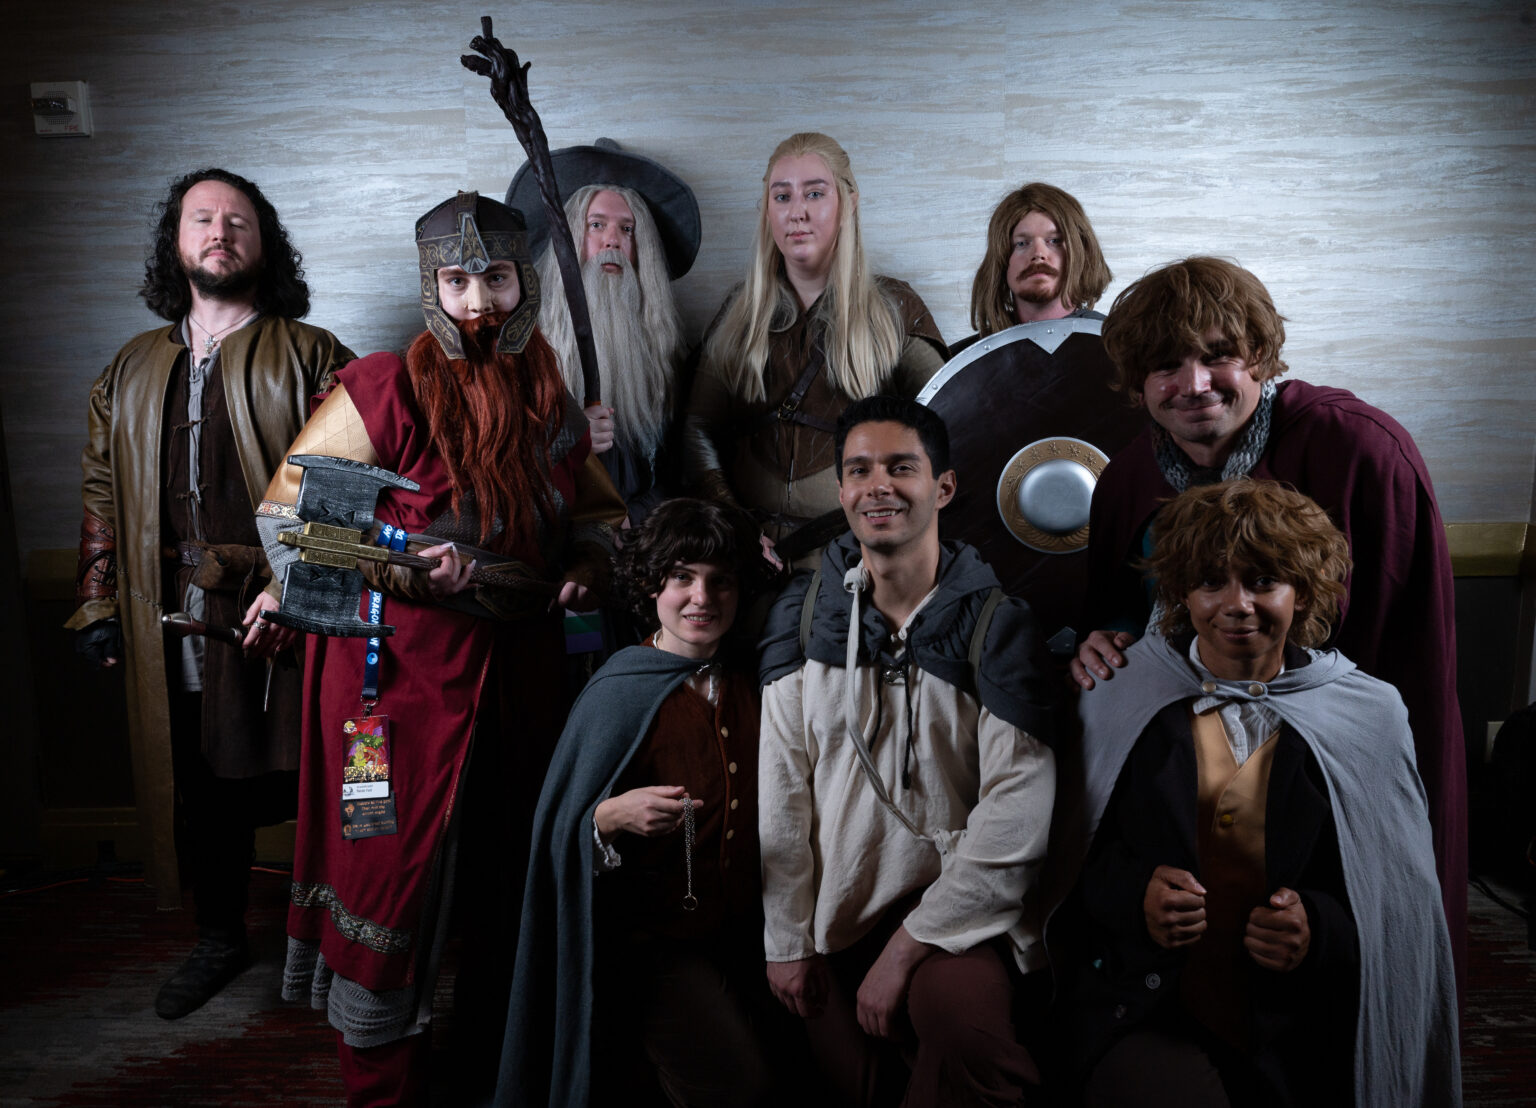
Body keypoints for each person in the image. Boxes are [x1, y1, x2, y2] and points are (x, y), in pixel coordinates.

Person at [254, 191, 626, 1105]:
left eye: (495, 278)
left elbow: (601, 520)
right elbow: (292, 526)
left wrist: (585, 566)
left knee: (507, 883)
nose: (478, 304)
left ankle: (496, 1073)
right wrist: (401, 567)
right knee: (387, 883)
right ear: (431, 286)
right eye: (457, 281)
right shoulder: (380, 390)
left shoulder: (552, 405)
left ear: (523, 281)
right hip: (391, 698)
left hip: (520, 691)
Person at [1070, 256, 1467, 1002]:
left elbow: (1405, 659)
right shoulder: (1126, 478)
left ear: (1260, 354)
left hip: (1320, 788)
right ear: (1137, 381)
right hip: (1183, 785)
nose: (1194, 385)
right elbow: (1118, 606)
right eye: (1166, 365)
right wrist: (1104, 635)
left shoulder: (1359, 450)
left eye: (1219, 355)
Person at [1058, 479, 1459, 1107]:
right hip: (1151, 1008)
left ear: (1302, 591)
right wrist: (1138, 898)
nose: (1236, 605)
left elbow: (1396, 902)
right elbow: (1067, 868)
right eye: (1210, 582)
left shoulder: (1371, 714)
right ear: (1181, 592)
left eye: (1264, 581)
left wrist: (1317, 929)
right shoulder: (1118, 692)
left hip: (1305, 1023)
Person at [68, 167, 353, 1019]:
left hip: (283, 608)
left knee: (322, 779)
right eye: (202, 219)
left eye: (238, 220)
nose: (220, 232)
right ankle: (220, 938)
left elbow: (345, 488)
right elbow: (100, 490)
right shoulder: (128, 368)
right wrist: (97, 600)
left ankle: (343, 942)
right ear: (176, 242)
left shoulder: (314, 354)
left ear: (265, 244)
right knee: (201, 787)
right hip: (173, 614)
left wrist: (296, 591)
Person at [756, 395, 1062, 1106]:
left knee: (967, 1046)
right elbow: (782, 792)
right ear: (841, 492)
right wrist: (788, 941)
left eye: (901, 467)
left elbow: (1017, 816)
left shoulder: (996, 627)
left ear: (942, 487)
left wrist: (908, 948)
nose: (878, 487)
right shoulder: (803, 618)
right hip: (835, 921)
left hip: (957, 924)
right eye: (859, 471)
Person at [499, 497, 798, 1108]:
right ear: (652, 586)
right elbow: (553, 842)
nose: (701, 598)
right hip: (652, 948)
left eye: (720, 581)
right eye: (682, 577)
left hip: (751, 935)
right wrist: (607, 818)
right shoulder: (616, 690)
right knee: (738, 1087)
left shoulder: (758, 683)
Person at [684, 133, 947, 566]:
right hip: (744, 559)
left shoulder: (895, 309)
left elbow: (949, 424)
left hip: (859, 562)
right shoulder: (738, 314)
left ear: (849, 203)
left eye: (814, 193)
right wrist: (734, 523)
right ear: (767, 211)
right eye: (782, 196)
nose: (797, 212)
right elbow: (698, 428)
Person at [520, 140, 699, 524]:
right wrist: (568, 439)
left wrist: (639, 518)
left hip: (646, 533)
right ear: (570, 239)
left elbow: (679, 472)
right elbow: (510, 469)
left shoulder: (667, 354)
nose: (612, 240)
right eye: (596, 225)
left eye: (627, 229)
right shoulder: (528, 351)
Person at [952, 182, 1113, 352]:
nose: (1038, 254)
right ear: (1001, 262)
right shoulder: (965, 358)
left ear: (1081, 252)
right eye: (1021, 243)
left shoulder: (1120, 345)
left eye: (1054, 241)